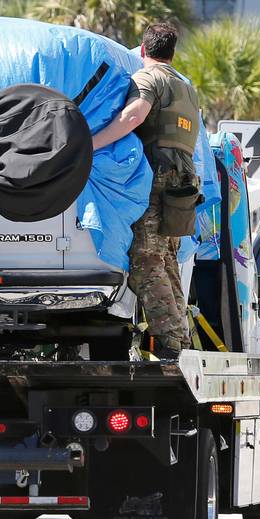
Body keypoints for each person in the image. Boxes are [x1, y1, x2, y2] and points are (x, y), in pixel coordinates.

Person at [92, 23, 201, 359]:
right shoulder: (186, 88)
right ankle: (179, 337)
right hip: (182, 181)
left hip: (155, 179)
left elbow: (134, 115)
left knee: (146, 260)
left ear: (143, 50)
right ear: (171, 52)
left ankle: (171, 345)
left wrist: (90, 144)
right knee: (166, 260)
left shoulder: (148, 78)